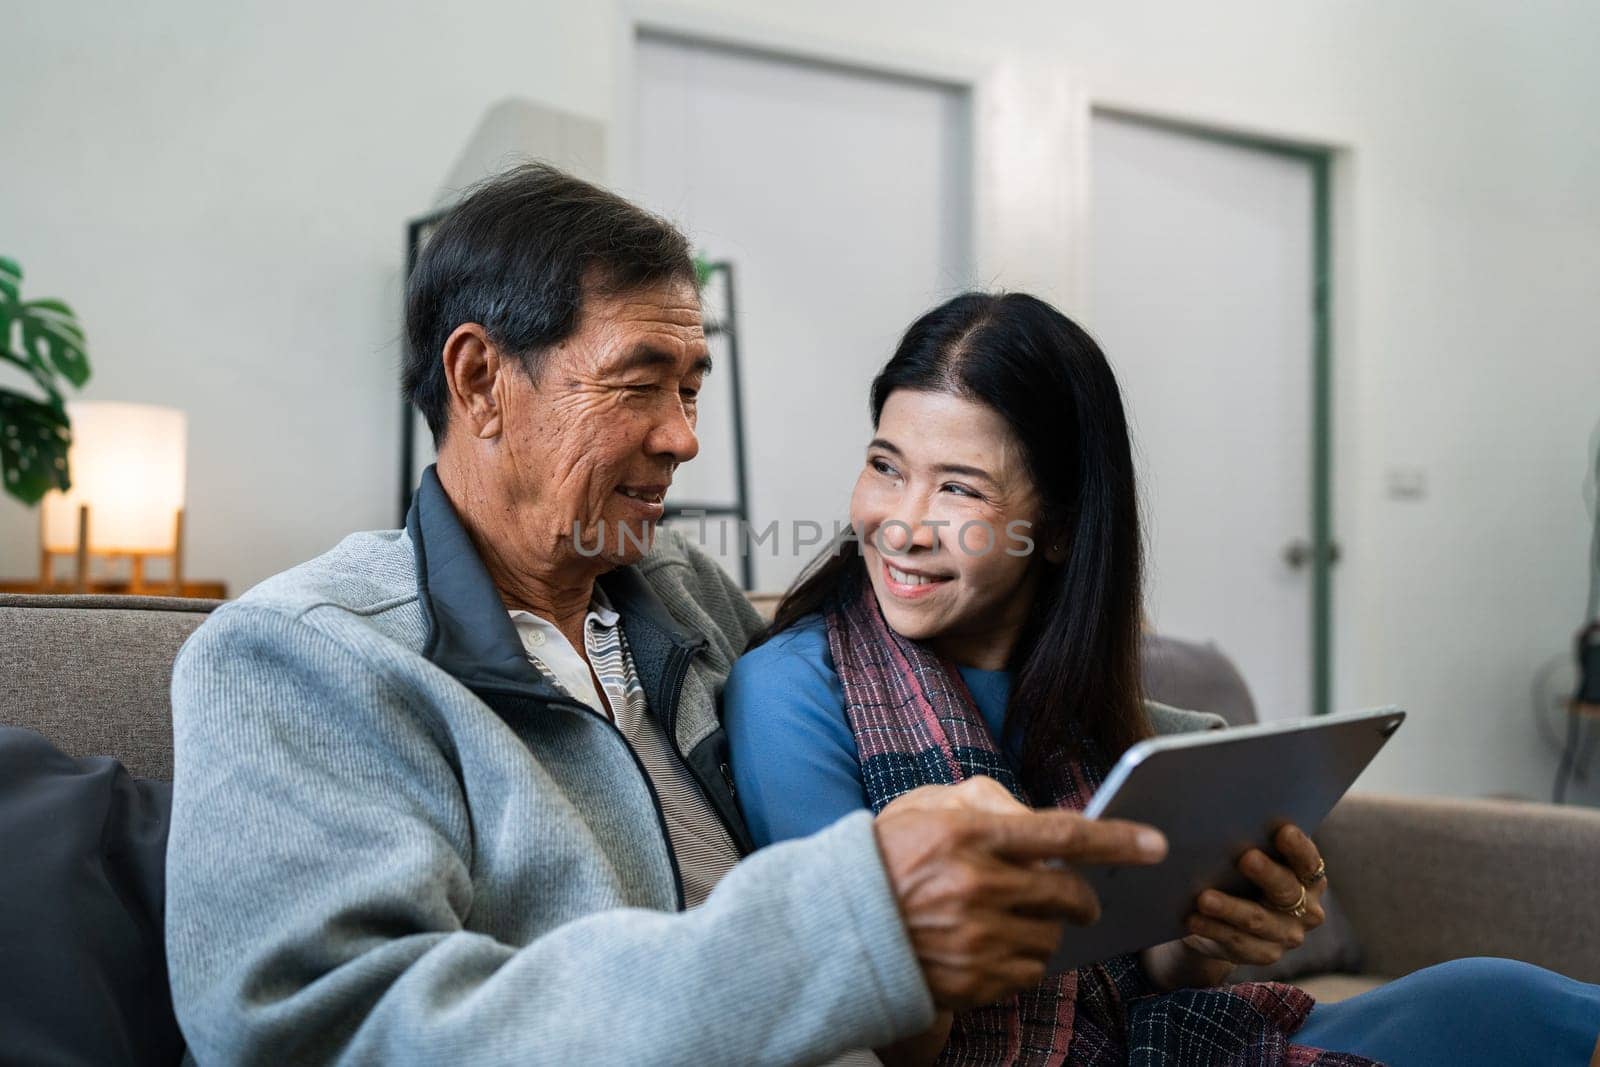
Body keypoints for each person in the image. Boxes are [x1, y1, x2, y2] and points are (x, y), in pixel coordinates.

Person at [162, 166, 1178, 1065]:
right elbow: (310, 1032)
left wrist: (1207, 822)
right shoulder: (300, 655)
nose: (685, 437)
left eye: (692, 389)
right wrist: (846, 925)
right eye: (641, 384)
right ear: (479, 380)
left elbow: (966, 668)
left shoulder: (680, 592)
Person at [724, 291, 1600, 1067]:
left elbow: (1149, 978)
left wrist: (1206, 930)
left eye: (958, 489)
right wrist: (926, 925)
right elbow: (873, 1033)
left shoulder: (1086, 702)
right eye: (885, 466)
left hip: (1169, 1040)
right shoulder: (794, 691)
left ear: (1058, 531)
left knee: (1501, 1000)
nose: (902, 524)